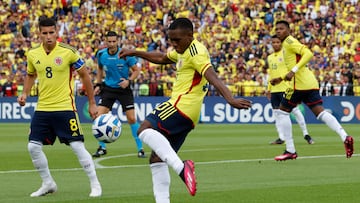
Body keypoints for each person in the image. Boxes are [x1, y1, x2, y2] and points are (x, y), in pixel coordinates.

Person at [119, 18, 252, 202]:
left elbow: (213, 77)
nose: (174, 44)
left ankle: (183, 169)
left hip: (180, 106)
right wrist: (135, 52)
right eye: (171, 40)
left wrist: (230, 99)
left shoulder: (196, 53)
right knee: (157, 159)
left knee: (144, 129)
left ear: (190, 36)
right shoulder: (182, 49)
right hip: (188, 116)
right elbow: (163, 58)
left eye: (177, 40)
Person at [17, 17, 102, 197]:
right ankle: (48, 183)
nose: (49, 36)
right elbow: (31, 75)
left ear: (57, 32)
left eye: (51, 32)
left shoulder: (68, 52)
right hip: (43, 108)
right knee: (33, 147)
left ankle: (95, 184)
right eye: (45, 33)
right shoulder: (32, 53)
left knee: (77, 145)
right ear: (39, 33)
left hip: (65, 107)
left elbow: (85, 76)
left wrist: (92, 102)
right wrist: (25, 93)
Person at [270, 20, 354, 161]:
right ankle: (345, 136)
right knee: (320, 112)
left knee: (282, 112)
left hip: (297, 86)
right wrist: (281, 78)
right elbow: (296, 67)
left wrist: (293, 71)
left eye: (281, 28)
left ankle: (290, 150)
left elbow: (308, 53)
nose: (278, 31)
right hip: (310, 82)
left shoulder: (289, 41)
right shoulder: (286, 45)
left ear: (288, 30)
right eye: (276, 28)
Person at [92, 31, 146, 158]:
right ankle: (102, 147)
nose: (111, 44)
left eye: (114, 41)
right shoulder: (101, 54)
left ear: (118, 41)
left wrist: (129, 81)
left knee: (132, 118)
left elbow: (137, 70)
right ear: (105, 42)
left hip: (124, 89)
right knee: (98, 117)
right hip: (108, 89)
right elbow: (100, 69)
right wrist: (98, 85)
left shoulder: (125, 54)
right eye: (109, 41)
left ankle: (140, 148)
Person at [267, 35, 314, 145]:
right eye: (273, 42)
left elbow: (293, 68)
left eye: (277, 42)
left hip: (286, 87)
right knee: (277, 113)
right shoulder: (270, 57)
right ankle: (281, 137)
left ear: (281, 43)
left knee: (295, 111)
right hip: (274, 90)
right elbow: (271, 74)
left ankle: (306, 134)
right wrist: (268, 88)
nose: (275, 44)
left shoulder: (286, 54)